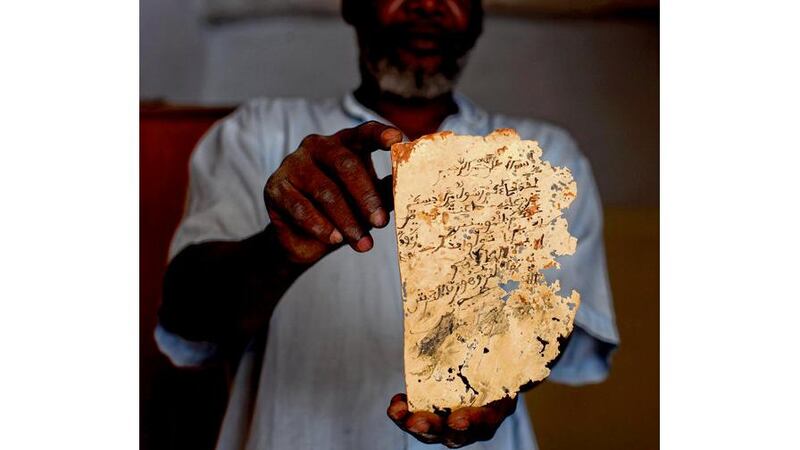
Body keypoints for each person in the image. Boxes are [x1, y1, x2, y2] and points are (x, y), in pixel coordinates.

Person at [156, 0, 619, 448]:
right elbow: (186, 314)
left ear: (478, 15)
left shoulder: (541, 155)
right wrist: (278, 249)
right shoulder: (257, 133)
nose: (427, 4)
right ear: (351, 5)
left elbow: (559, 319)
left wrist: (503, 367)